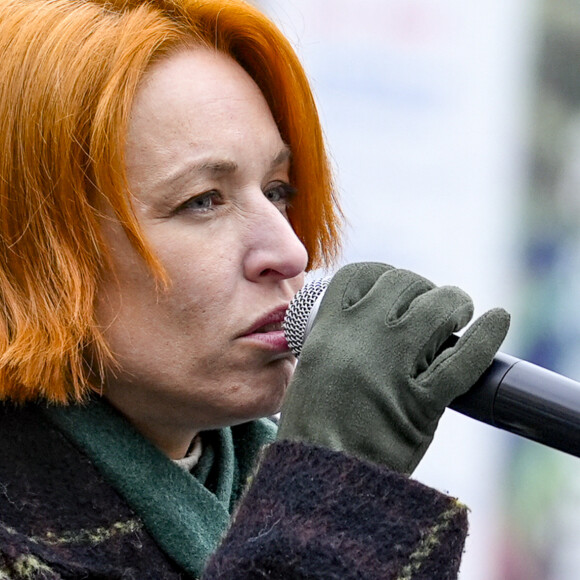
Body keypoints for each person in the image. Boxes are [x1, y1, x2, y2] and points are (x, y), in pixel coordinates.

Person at [0, 0, 510, 578]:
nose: (291, 251)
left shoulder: (250, 480)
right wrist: (337, 484)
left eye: (277, 190)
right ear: (34, 249)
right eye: (202, 201)